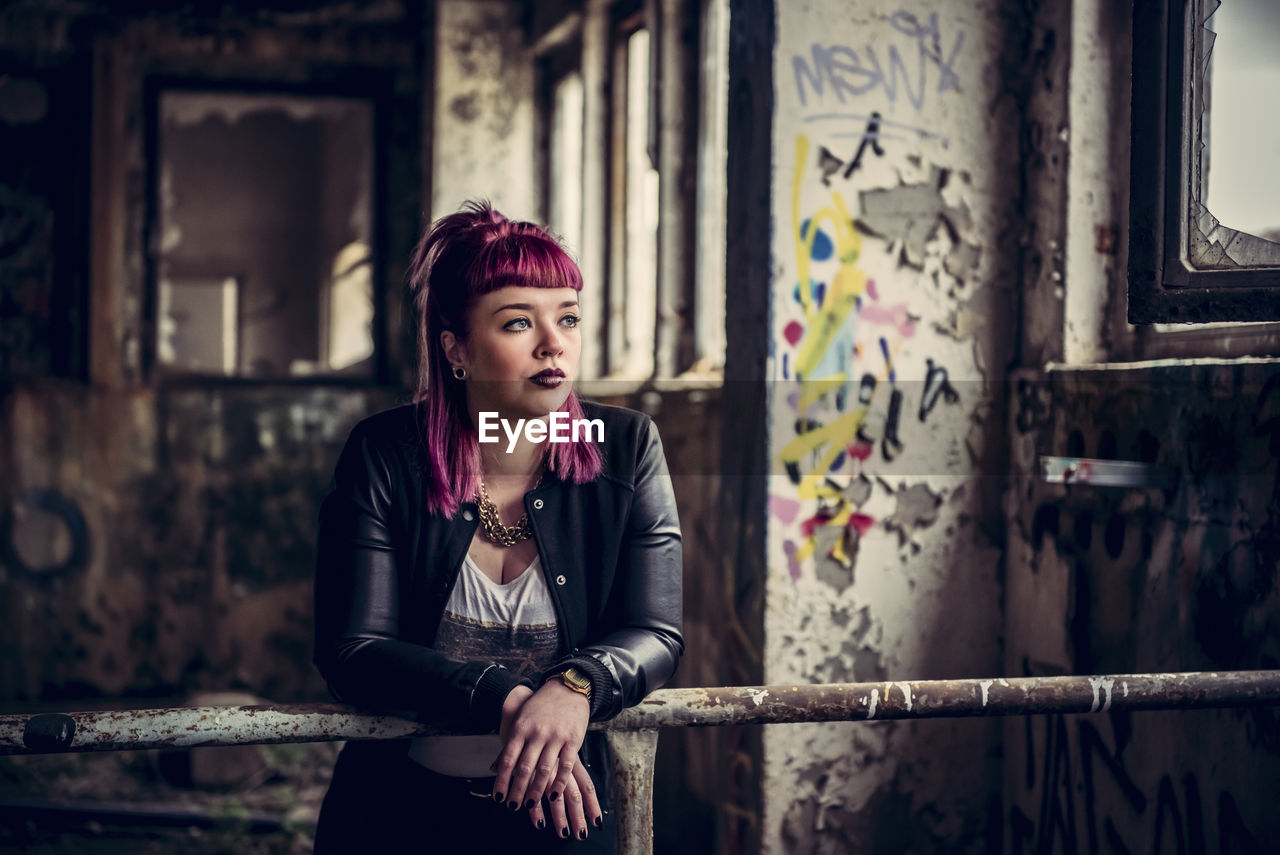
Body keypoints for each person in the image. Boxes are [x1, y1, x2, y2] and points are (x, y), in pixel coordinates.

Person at [312, 201, 684, 853]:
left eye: (567, 317)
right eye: (518, 322)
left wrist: (575, 684)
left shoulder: (628, 446)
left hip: (567, 816)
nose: (554, 343)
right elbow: (354, 649)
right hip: (401, 813)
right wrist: (508, 698)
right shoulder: (385, 453)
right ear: (455, 347)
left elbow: (655, 629)